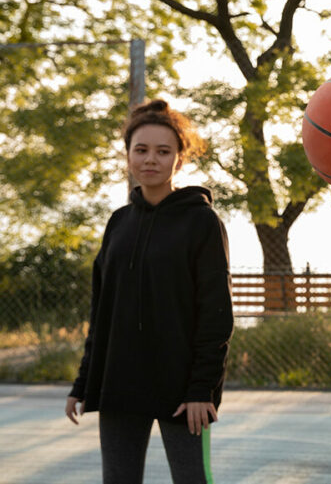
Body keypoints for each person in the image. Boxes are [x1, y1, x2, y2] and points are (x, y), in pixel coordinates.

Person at [65, 100, 233, 484]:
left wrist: (201, 389)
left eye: (163, 151)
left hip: (183, 390)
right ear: (127, 155)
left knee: (192, 479)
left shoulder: (201, 221)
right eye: (140, 150)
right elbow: (102, 312)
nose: (150, 160)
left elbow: (216, 313)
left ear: (179, 159)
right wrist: (84, 382)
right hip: (120, 383)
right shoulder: (118, 223)